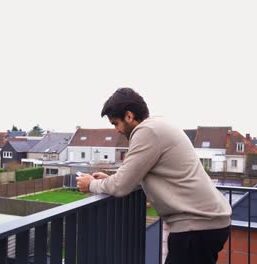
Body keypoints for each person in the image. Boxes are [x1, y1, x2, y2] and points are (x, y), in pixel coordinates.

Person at [76, 87, 232, 264]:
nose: (116, 130)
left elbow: (120, 186)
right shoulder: (157, 126)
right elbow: (137, 173)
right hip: (206, 223)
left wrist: (90, 184)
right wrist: (109, 179)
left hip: (196, 227)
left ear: (129, 116)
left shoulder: (146, 132)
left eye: (115, 123)